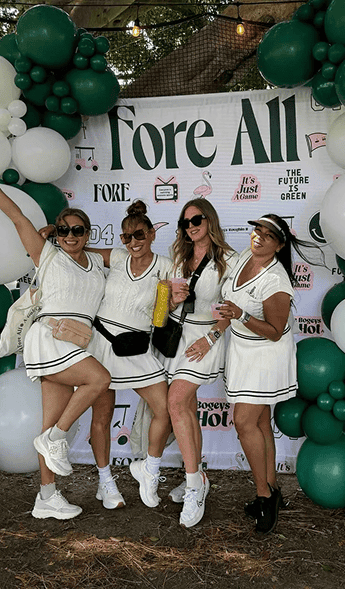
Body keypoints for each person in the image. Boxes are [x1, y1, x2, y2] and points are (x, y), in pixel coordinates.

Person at [0, 157, 111, 521]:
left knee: (49, 424)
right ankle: (55, 440)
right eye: (64, 230)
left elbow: (137, 258)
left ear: (88, 233)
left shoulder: (97, 262)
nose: (70, 236)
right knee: (99, 380)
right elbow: (18, 217)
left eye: (78, 230)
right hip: (50, 336)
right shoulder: (47, 256)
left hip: (78, 340)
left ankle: (46, 497)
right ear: (55, 233)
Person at [218, 214, 321, 534]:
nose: (258, 237)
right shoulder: (245, 257)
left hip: (265, 355)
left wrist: (240, 314)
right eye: (256, 230)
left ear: (279, 245)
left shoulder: (276, 280)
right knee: (261, 423)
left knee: (244, 421)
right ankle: (272, 489)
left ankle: (264, 497)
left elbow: (276, 331)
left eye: (268, 235)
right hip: (243, 350)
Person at [86, 201, 173, 510]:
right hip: (101, 343)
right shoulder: (118, 257)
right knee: (102, 417)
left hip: (135, 347)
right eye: (126, 237)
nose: (133, 243)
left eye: (138, 235)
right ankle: (105, 481)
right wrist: (52, 236)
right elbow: (79, 249)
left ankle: (149, 468)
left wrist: (170, 300)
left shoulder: (165, 266)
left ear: (151, 234)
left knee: (166, 409)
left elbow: (161, 316)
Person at [159, 198, 238, 528]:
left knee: (175, 402)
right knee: (186, 409)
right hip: (178, 338)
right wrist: (168, 296)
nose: (190, 226)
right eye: (185, 222)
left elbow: (233, 308)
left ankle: (194, 487)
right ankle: (197, 476)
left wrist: (212, 339)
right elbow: (162, 302)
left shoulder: (229, 260)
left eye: (196, 219)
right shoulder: (179, 257)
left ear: (210, 219)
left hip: (205, 341)